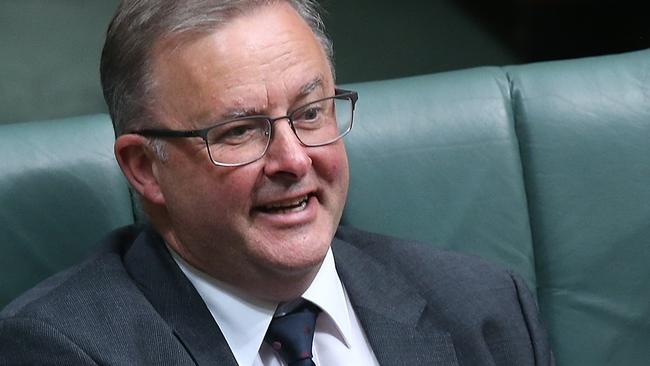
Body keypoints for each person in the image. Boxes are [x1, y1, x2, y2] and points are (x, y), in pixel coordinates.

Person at [0, 0, 553, 365]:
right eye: (240, 131)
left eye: (311, 113)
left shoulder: (484, 308)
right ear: (146, 169)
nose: (293, 159)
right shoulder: (61, 350)